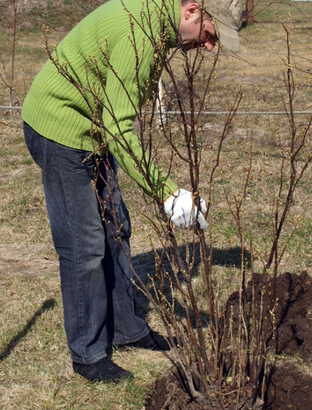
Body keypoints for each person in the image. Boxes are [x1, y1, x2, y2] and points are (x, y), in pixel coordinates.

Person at [22, 0, 241, 383]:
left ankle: (127, 329)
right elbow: (118, 127)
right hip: (59, 128)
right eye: (211, 34)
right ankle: (88, 354)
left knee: (116, 230)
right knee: (84, 244)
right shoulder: (138, 31)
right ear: (192, 10)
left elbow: (114, 113)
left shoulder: (156, 27)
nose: (209, 47)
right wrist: (168, 193)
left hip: (91, 129)